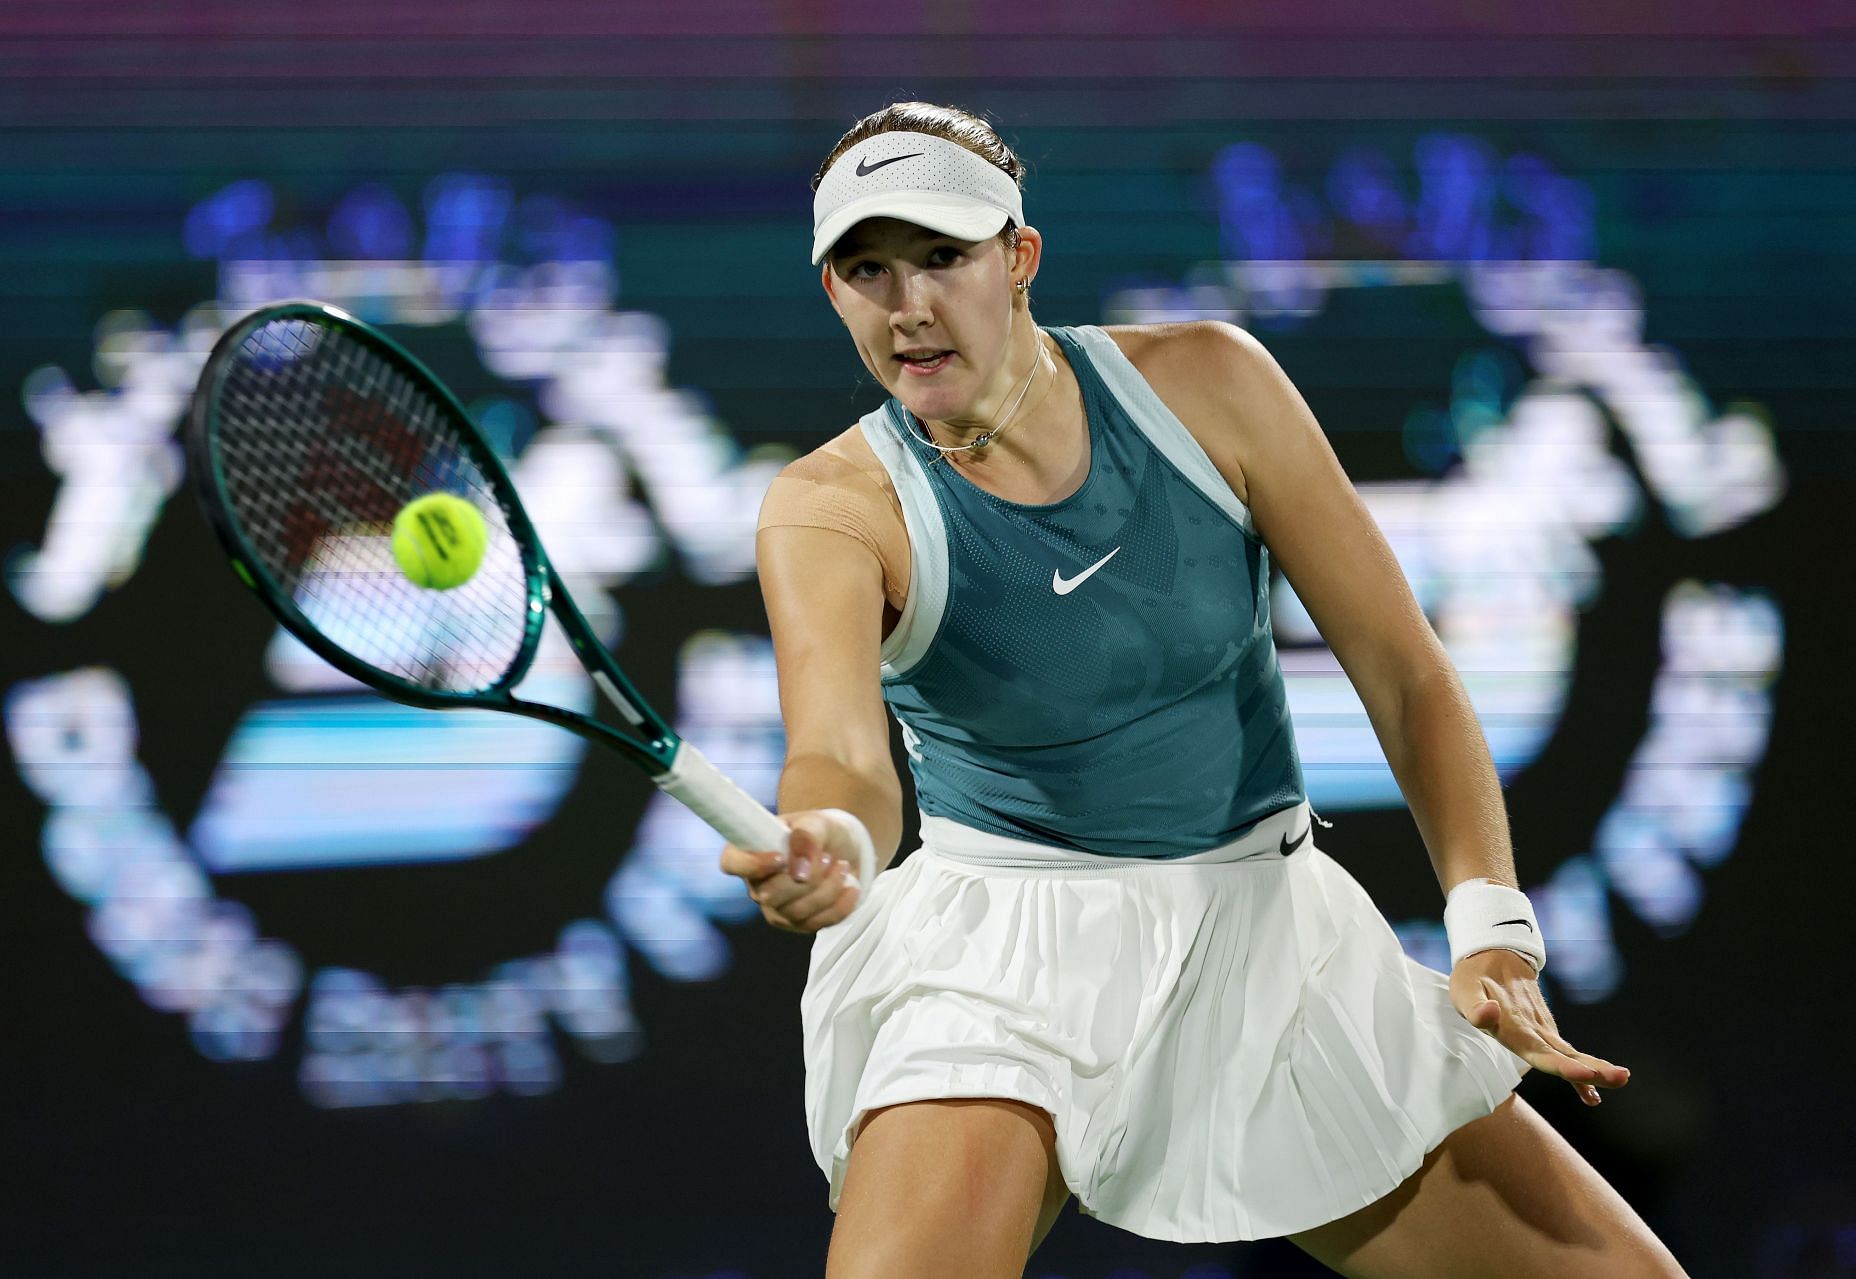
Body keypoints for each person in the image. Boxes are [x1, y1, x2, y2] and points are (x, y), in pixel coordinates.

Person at [719, 101, 1687, 1279]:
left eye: (941, 256)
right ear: (833, 290)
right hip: (1001, 961)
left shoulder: (1211, 385)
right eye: (866, 268)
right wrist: (831, 842)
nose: (908, 305)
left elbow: (1404, 668)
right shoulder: (830, 508)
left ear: (1018, 259)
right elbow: (842, 760)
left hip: (1265, 936)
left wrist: (1492, 927)